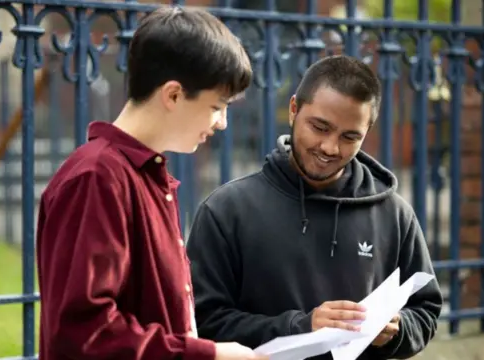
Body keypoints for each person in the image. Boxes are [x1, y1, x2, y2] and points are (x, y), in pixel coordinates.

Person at [36, 6, 268, 360]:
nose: (221, 122)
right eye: (216, 106)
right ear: (173, 95)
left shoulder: (145, 176)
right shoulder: (97, 179)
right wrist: (208, 356)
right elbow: (82, 335)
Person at [186, 55, 443, 359]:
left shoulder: (395, 214)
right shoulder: (226, 211)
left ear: (367, 131)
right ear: (294, 110)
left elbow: (426, 311)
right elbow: (202, 322)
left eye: (350, 137)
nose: (330, 147)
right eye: (320, 127)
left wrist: (396, 330)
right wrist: (302, 326)